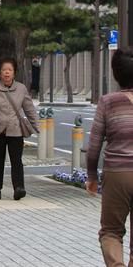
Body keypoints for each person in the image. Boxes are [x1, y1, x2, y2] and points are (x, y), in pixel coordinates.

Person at [86, 46, 133, 267]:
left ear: (116, 73)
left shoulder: (108, 101)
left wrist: (92, 176)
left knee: (111, 232)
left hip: (117, 174)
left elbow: (94, 144)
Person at [0, 56, 39, 200]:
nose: (7, 72)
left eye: (10, 70)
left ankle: (19, 188)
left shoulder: (21, 89)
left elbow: (29, 109)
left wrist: (37, 126)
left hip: (15, 130)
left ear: (14, 72)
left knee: (16, 160)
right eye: (4, 70)